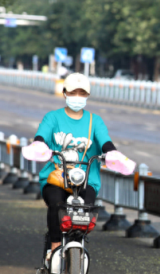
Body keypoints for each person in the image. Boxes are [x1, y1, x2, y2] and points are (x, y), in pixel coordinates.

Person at [32, 73, 119, 257]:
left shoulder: (94, 121)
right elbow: (42, 134)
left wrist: (111, 151)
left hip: (87, 180)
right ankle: (54, 247)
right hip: (56, 178)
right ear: (64, 93)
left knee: (84, 213)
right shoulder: (53, 118)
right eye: (73, 92)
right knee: (56, 205)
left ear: (88, 95)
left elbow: (105, 140)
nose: (77, 97)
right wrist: (39, 144)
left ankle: (76, 247)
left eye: (82, 93)